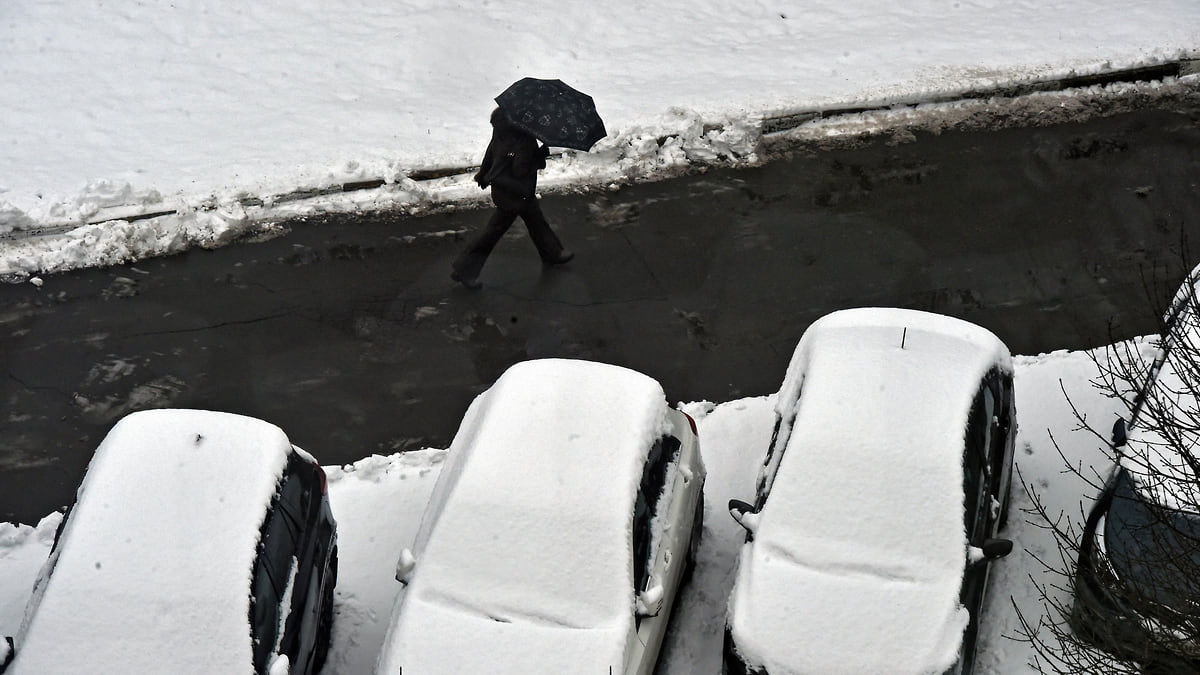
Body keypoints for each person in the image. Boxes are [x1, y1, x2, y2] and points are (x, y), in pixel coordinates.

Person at [450, 107, 573, 289]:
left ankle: (552, 253)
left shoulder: (502, 128)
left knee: (536, 221)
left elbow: (490, 152)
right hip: (515, 194)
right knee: (492, 233)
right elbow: (520, 170)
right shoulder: (522, 137)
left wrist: (483, 174)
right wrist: (539, 156)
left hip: (505, 190)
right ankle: (465, 270)